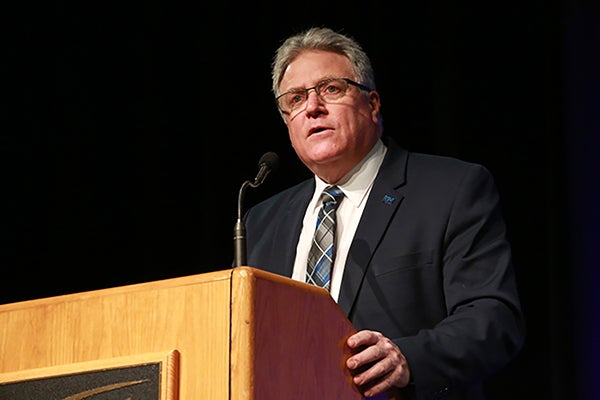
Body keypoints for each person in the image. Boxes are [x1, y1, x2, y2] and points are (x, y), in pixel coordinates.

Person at [243, 26, 526, 400]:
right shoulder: (262, 221)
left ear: (372, 103)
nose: (312, 107)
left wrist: (409, 359)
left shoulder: (451, 189)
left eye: (331, 88)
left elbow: (493, 317)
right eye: (295, 99)